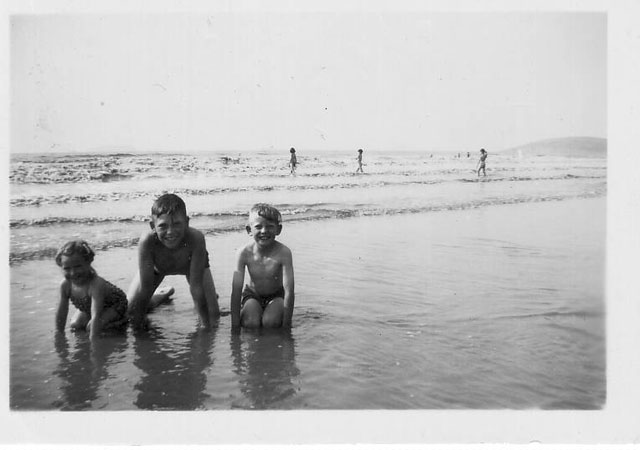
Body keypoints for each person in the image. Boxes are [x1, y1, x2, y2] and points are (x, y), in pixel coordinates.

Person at [127, 193, 220, 329]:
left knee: (213, 315)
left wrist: (205, 326)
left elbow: (196, 287)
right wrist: (138, 325)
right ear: (152, 226)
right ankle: (157, 299)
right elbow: (145, 288)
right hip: (157, 269)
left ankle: (211, 297)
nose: (170, 232)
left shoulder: (196, 239)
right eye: (163, 226)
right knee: (130, 310)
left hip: (191, 268)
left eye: (177, 224)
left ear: (187, 222)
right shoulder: (147, 242)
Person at [230, 203, 295, 329]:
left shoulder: (284, 252)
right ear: (249, 230)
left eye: (270, 226)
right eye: (258, 227)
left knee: (270, 322)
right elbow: (236, 291)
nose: (264, 231)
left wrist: (287, 327)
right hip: (252, 295)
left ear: (278, 229)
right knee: (250, 323)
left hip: (276, 296)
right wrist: (235, 327)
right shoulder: (243, 252)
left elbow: (289, 291)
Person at [55, 240, 129, 339]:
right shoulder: (65, 285)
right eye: (67, 268)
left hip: (115, 305)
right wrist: (59, 335)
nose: (73, 273)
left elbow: (96, 316)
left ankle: (123, 319)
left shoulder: (96, 284)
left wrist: (94, 346)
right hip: (89, 308)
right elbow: (61, 313)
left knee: (92, 327)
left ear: (88, 262)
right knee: (75, 325)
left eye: (78, 266)